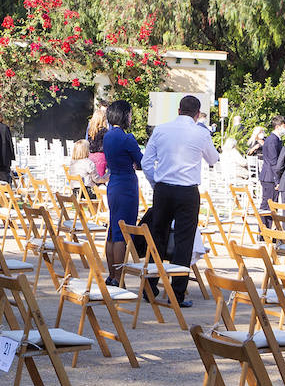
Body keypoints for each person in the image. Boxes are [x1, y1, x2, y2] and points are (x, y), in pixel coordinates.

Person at [140, 94, 220, 306]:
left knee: (157, 236)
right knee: (184, 240)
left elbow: (146, 162)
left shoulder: (161, 130)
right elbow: (213, 159)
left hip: (164, 189)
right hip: (187, 192)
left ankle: (149, 288)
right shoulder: (200, 133)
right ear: (197, 114)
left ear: (178, 110)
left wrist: (156, 184)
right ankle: (177, 293)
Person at [102, 99, 144, 288]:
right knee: (122, 232)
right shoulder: (128, 138)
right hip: (126, 184)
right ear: (124, 115)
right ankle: (119, 277)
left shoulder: (108, 136)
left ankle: (112, 274)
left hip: (114, 184)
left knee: (113, 230)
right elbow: (141, 161)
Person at [259, 116, 285, 226]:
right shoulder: (272, 140)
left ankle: (268, 229)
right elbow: (273, 162)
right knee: (268, 204)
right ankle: (264, 230)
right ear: (278, 126)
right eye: (284, 126)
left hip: (270, 176)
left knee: (271, 204)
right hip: (270, 177)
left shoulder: (276, 140)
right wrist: (277, 181)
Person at [86, 105, 109, 181]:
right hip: (101, 157)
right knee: (99, 180)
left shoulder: (90, 130)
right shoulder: (105, 131)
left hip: (91, 156)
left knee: (91, 179)